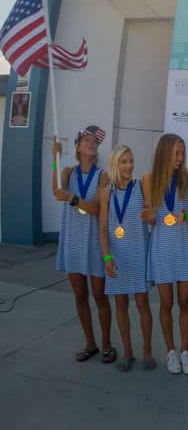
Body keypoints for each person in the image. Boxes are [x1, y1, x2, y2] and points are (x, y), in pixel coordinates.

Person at [52, 125, 115, 364]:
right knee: (80, 294)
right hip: (73, 240)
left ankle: (107, 342)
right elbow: (57, 191)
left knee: (99, 295)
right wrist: (55, 159)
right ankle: (90, 343)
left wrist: (74, 199)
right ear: (78, 145)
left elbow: (98, 209)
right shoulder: (68, 172)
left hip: (94, 242)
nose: (91, 143)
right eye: (87, 139)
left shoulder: (103, 176)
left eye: (95, 141)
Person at [142, 133, 188, 374]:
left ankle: (185, 350)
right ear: (164, 153)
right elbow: (149, 216)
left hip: (184, 248)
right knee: (166, 302)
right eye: (176, 153)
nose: (180, 158)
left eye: (182, 153)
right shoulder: (148, 179)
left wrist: (185, 216)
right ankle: (170, 351)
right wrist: (149, 217)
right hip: (161, 249)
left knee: (185, 301)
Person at [98, 144, 154, 372]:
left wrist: (151, 216)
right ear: (114, 164)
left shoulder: (142, 186)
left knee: (142, 304)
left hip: (138, 252)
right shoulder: (105, 191)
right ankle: (128, 350)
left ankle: (147, 351)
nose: (129, 166)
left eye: (131, 161)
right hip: (117, 255)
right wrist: (107, 257)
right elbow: (102, 227)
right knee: (120, 303)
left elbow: (153, 218)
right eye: (124, 161)